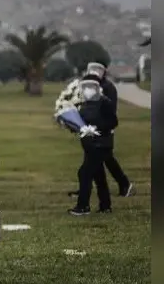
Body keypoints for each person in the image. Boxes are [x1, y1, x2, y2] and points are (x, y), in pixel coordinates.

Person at [57, 63, 134, 198]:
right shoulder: (84, 86)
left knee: (104, 161)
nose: (95, 71)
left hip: (103, 133)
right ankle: (92, 194)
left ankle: (123, 184)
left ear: (104, 71)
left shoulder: (108, 88)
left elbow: (111, 114)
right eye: (92, 68)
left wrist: (97, 126)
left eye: (99, 69)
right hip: (90, 132)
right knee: (94, 164)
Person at [70, 79, 118, 215]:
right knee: (99, 176)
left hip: (101, 144)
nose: (87, 90)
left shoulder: (104, 103)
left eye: (90, 87)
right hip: (90, 146)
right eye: (85, 87)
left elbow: (113, 122)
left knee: (84, 173)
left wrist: (96, 128)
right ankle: (105, 206)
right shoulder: (84, 104)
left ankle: (83, 206)